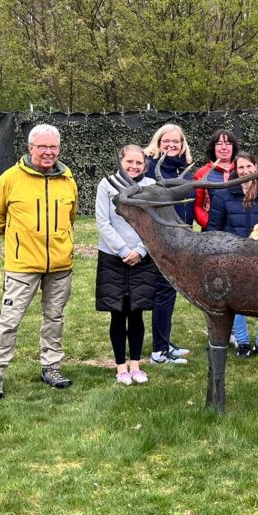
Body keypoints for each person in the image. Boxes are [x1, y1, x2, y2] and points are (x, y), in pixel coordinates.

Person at [0, 124, 78, 400]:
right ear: (30, 148)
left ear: (59, 149)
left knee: (54, 318)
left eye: (53, 147)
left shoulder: (67, 179)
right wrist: (18, 243)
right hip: (22, 268)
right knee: (9, 321)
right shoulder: (10, 179)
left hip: (60, 266)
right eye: (42, 147)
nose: (48, 152)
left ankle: (52, 367)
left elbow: (71, 217)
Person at [206, 152, 258, 359]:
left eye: (249, 166)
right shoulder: (223, 195)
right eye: (241, 168)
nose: (245, 171)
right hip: (232, 257)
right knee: (234, 299)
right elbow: (213, 230)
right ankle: (242, 342)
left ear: (256, 167)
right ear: (235, 170)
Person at [96, 145, 158, 386]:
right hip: (113, 257)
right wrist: (123, 250)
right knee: (117, 312)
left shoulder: (151, 186)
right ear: (121, 161)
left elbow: (153, 222)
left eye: (138, 163)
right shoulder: (107, 184)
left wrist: (141, 251)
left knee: (137, 312)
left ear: (145, 165)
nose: (134, 167)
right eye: (129, 162)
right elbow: (102, 221)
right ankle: (121, 367)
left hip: (142, 257)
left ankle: (135, 364)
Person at [144, 123, 196, 365]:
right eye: (167, 141)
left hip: (180, 238)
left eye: (177, 141)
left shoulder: (183, 168)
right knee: (163, 292)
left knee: (169, 291)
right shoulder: (151, 167)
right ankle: (159, 352)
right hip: (161, 239)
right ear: (158, 142)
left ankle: (164, 342)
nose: (172, 145)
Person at [192, 129, 239, 231]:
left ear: (233, 147)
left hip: (239, 232)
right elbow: (197, 206)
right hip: (212, 234)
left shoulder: (242, 170)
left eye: (228, 143)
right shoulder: (202, 173)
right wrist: (208, 224)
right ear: (213, 147)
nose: (224, 147)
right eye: (219, 144)